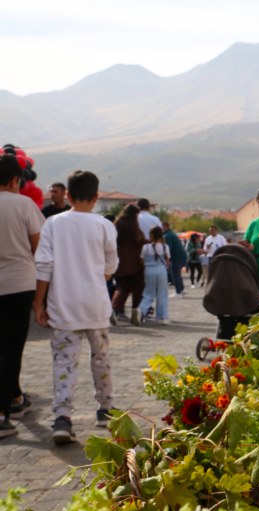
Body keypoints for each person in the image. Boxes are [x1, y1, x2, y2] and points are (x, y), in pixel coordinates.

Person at [33, 170, 118, 445]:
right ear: (96, 197)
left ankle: (62, 418)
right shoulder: (104, 225)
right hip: (95, 306)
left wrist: (39, 303)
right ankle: (105, 410)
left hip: (63, 306)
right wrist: (97, 275)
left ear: (67, 195)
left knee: (64, 363)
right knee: (101, 359)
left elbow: (44, 265)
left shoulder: (53, 224)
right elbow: (111, 266)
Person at [0, 154, 44, 438]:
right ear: (16, 180)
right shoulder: (24, 204)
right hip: (19, 283)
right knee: (11, 348)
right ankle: (5, 413)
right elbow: (38, 246)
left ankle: (14, 399)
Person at [111, 204, 146, 325]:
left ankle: (114, 310)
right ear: (134, 214)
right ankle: (136, 311)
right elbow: (140, 241)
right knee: (138, 287)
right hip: (134, 263)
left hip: (118, 263)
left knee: (122, 288)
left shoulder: (116, 224)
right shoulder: (132, 226)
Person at [139, 226, 170, 325]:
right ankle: (162, 317)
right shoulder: (165, 247)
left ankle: (141, 311)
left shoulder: (145, 247)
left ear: (151, 235)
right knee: (162, 294)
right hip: (161, 271)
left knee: (148, 293)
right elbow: (167, 261)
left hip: (149, 271)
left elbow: (142, 260)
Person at [162, 222, 187, 297]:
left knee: (174, 274)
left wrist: (166, 259)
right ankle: (182, 289)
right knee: (177, 274)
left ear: (165, 226)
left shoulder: (167, 236)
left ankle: (178, 292)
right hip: (180, 256)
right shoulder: (171, 234)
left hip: (176, 257)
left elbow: (168, 248)